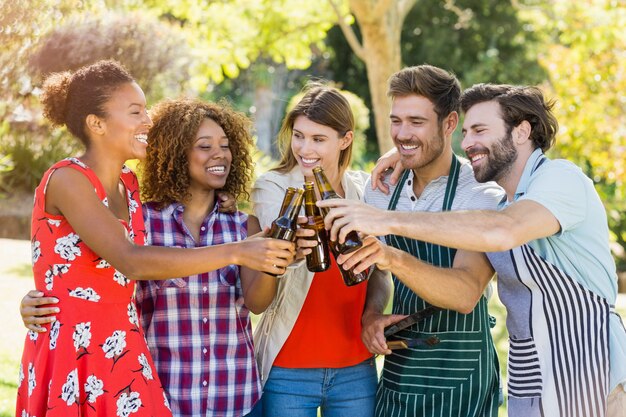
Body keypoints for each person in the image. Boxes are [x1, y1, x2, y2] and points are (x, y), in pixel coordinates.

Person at [319, 83, 626, 417]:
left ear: (521, 131)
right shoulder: (502, 200)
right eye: (464, 132)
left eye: (479, 130)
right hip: (529, 375)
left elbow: (503, 230)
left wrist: (386, 221)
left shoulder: (559, 178)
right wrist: (408, 152)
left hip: (587, 367)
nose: (467, 143)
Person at [16, 60, 295, 417]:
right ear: (96, 123)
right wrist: (238, 251)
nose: (148, 120)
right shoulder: (69, 179)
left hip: (124, 350)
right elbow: (130, 259)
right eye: (136, 111)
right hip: (75, 350)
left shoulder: (130, 188)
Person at [317, 65, 502, 417]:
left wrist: (392, 257)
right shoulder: (381, 189)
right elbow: (378, 273)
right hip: (400, 371)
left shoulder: (478, 193)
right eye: (396, 121)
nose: (403, 134)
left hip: (461, 376)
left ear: (449, 124)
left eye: (416, 122)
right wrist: (372, 314)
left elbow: (464, 294)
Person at [251, 83, 392, 417]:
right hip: (288, 368)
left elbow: (380, 272)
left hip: (355, 369)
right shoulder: (273, 187)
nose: (304, 148)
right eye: (298, 135)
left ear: (345, 139)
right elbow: (285, 246)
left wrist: (372, 312)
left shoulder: (365, 190)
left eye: (318, 139)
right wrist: (295, 245)